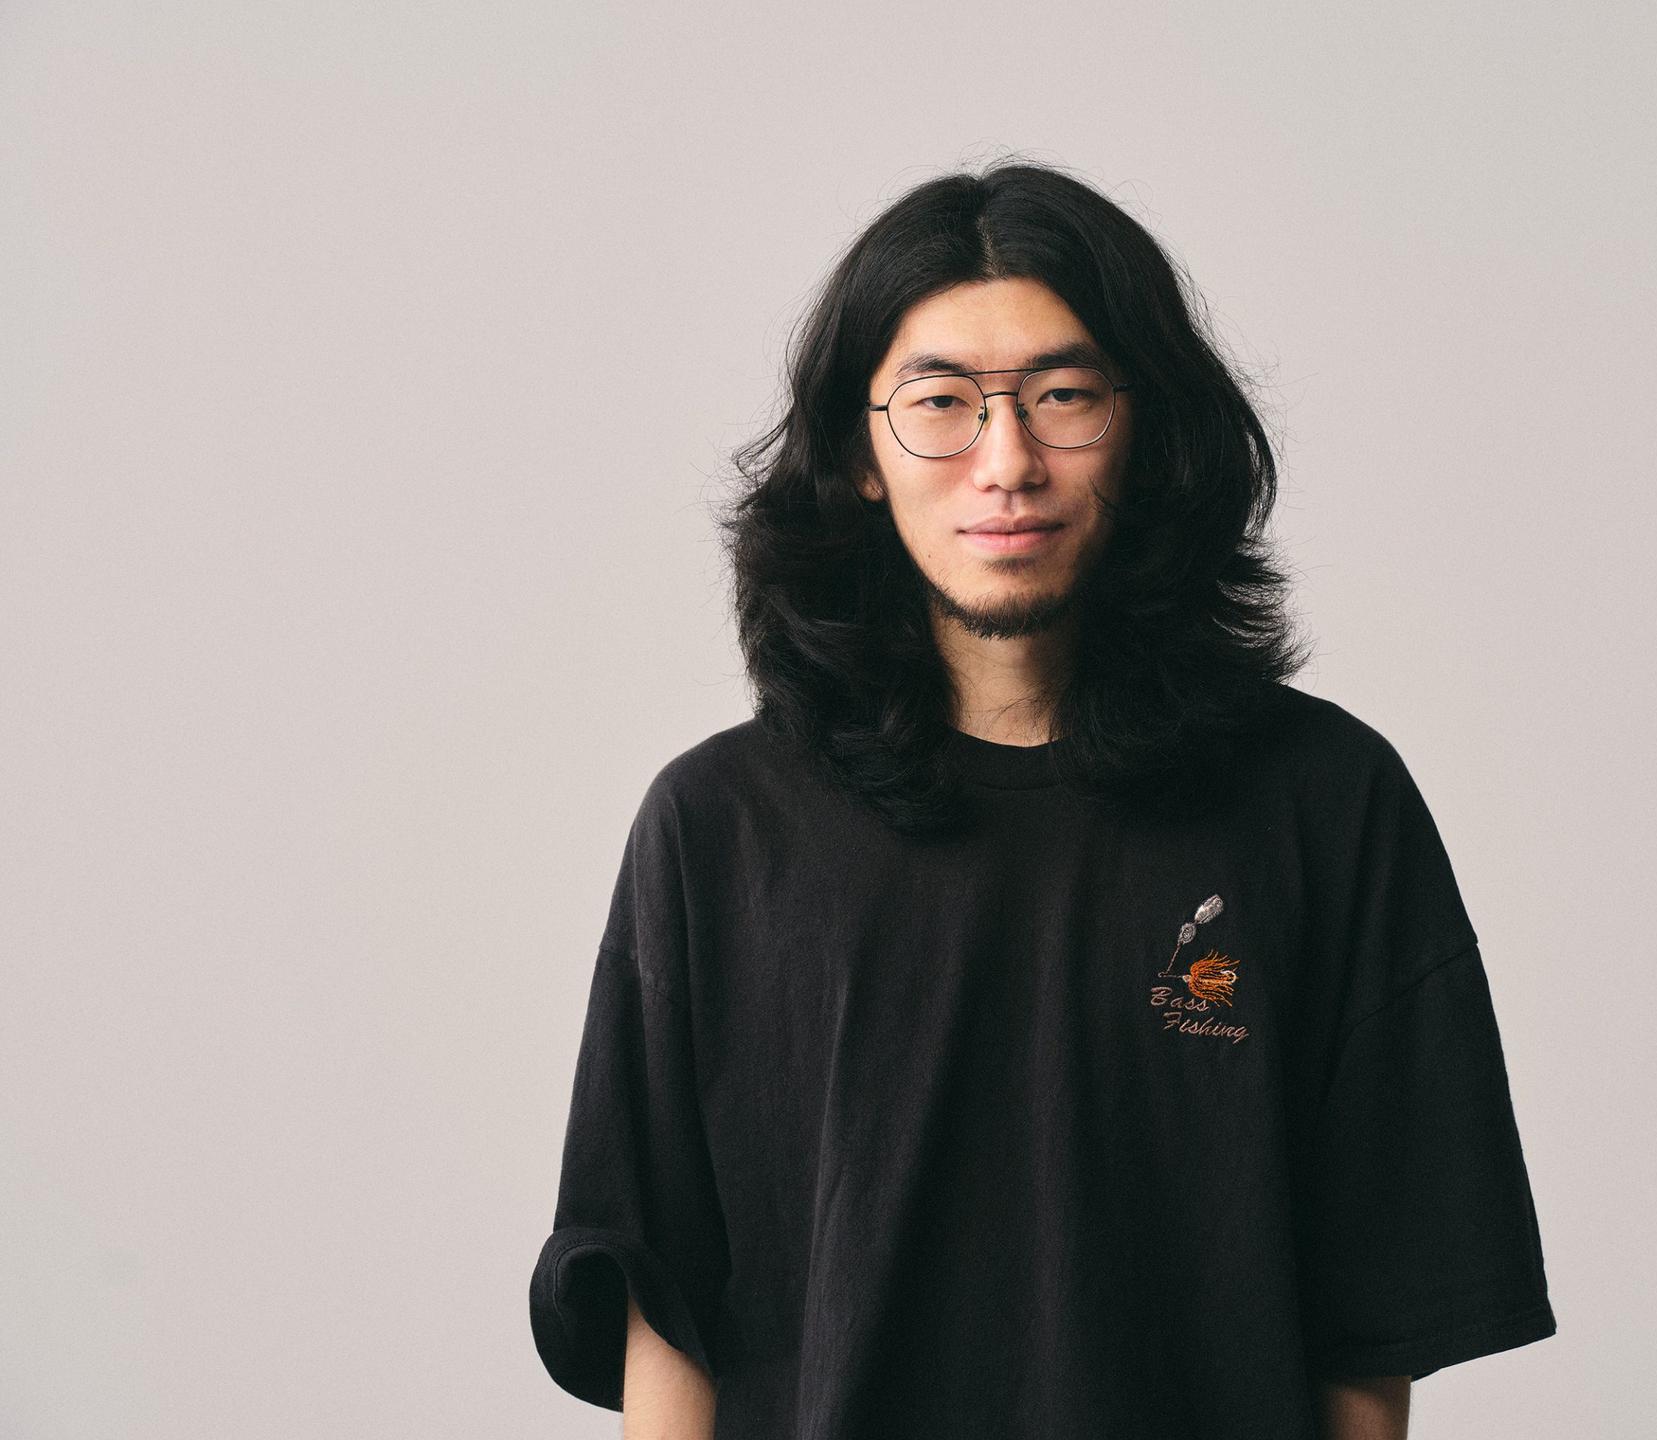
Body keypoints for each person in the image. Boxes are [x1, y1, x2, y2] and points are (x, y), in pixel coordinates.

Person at [528, 159, 1556, 1440]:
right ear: (859, 451)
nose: (1007, 461)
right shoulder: (718, 830)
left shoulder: (1326, 807)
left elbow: (1372, 1324)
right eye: (942, 403)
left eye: (1064, 396)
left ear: (1145, 428)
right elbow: (664, 1303)